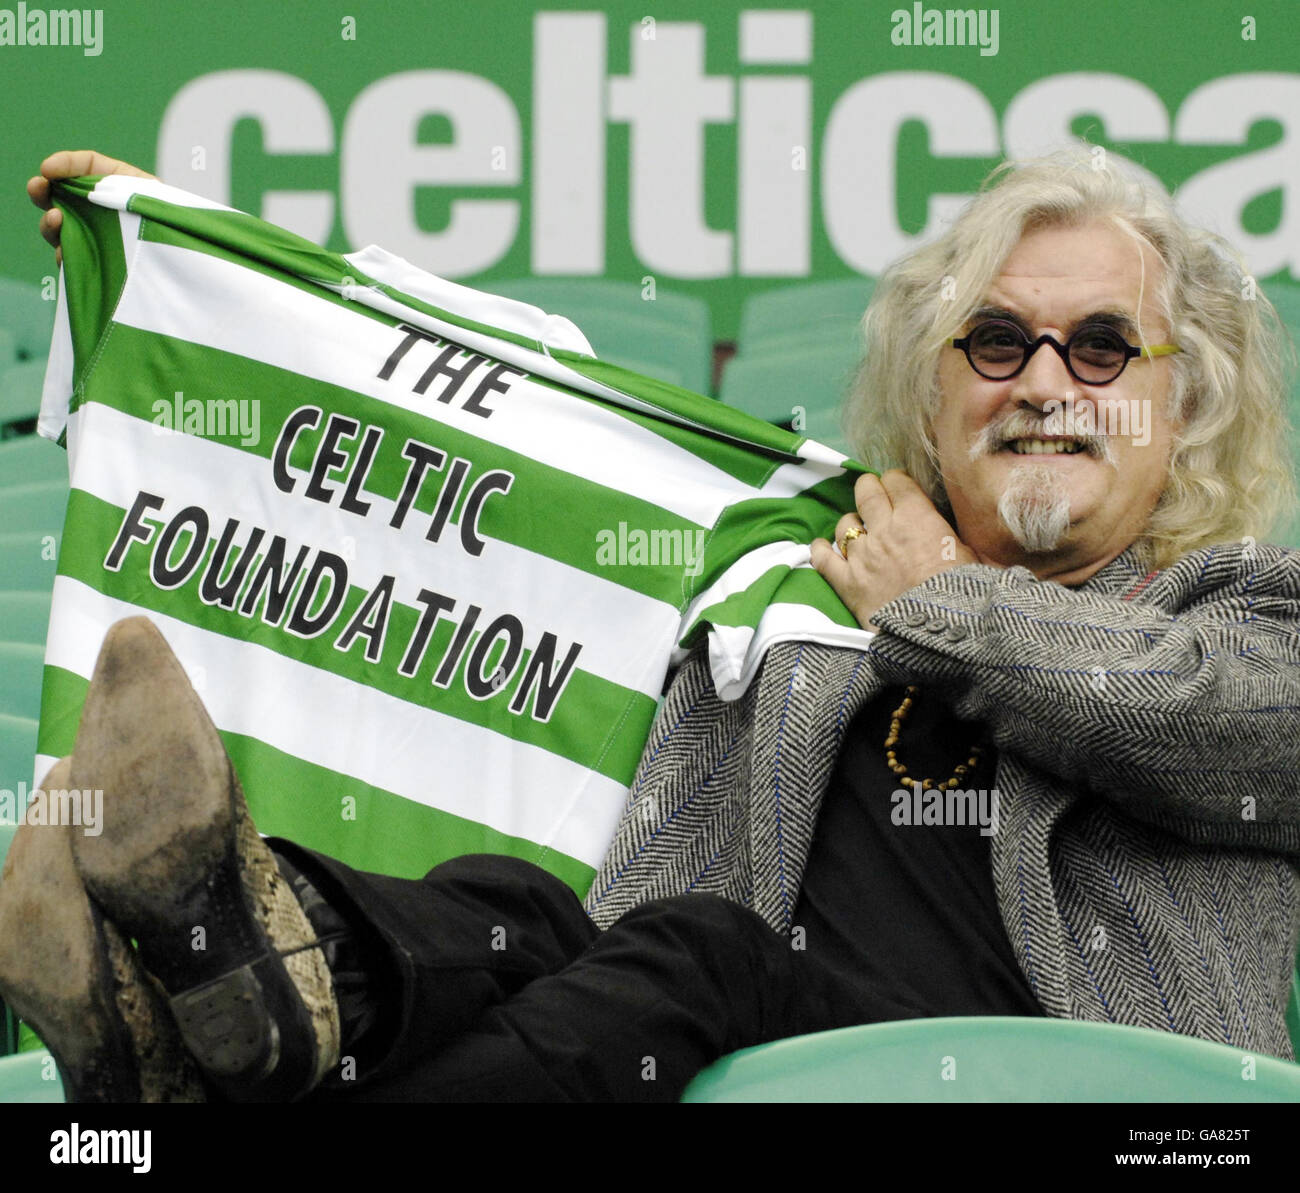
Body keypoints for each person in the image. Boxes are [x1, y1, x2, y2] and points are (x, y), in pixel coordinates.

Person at [2, 148, 1298, 1103]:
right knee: (521, 912)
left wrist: (937, 605)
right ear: (932, 386)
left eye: (1105, 348)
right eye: (1000, 341)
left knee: (702, 947)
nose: (1046, 382)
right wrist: (197, 270)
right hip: (750, 1052)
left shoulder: (1246, 615)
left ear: (1184, 406)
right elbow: (511, 396)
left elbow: (1214, 721)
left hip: (1116, 1104)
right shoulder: (780, 608)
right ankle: (223, 986)